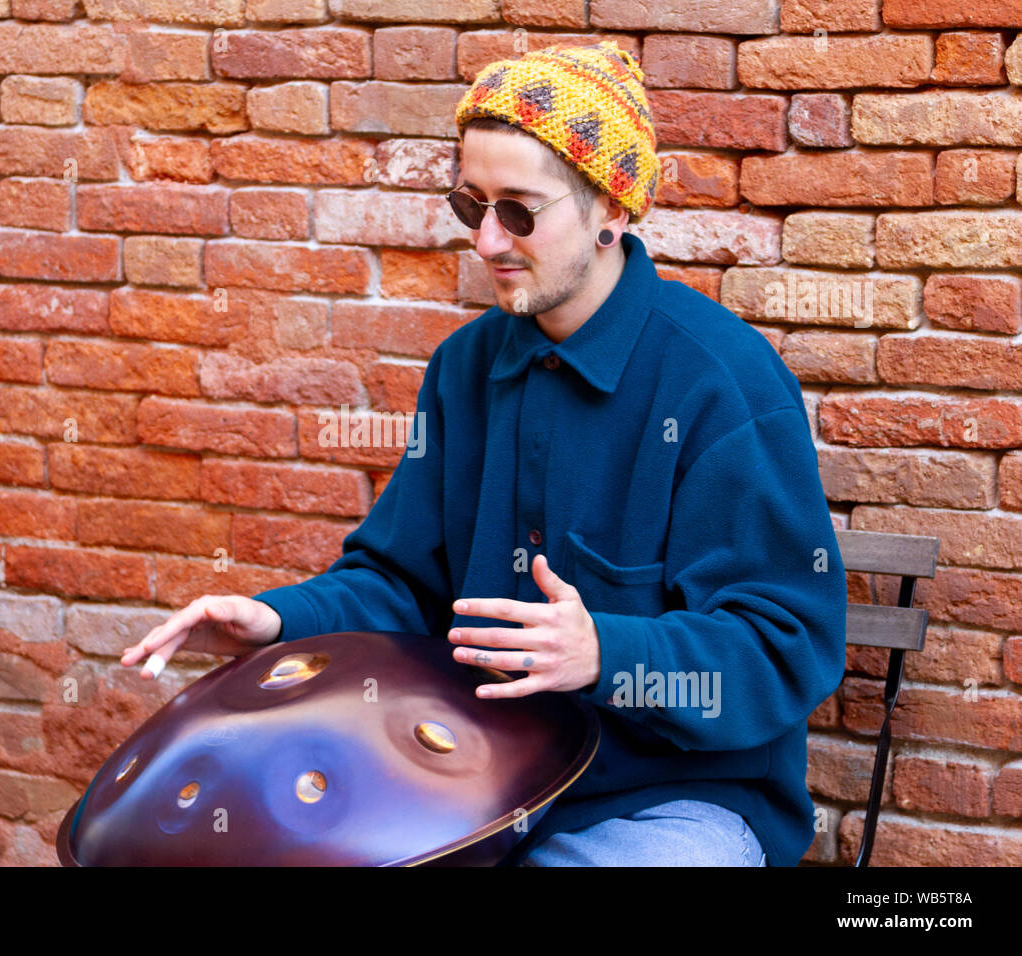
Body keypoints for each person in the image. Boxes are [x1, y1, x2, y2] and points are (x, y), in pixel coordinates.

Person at [120, 42, 847, 867]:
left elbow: (785, 645)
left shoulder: (723, 383)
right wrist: (280, 621)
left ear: (612, 207)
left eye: (521, 212)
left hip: (674, 806)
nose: (488, 241)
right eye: (473, 207)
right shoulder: (464, 369)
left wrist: (606, 653)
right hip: (474, 792)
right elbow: (402, 583)